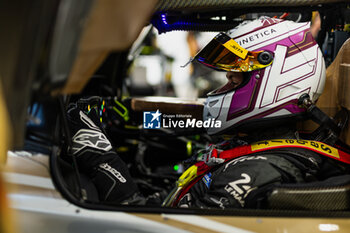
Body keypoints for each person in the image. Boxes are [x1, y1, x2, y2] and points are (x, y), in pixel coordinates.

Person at [67, 16, 350, 209]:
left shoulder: (258, 171)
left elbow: (144, 220)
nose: (225, 87)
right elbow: (188, 120)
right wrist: (123, 118)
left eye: (235, 79)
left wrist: (100, 157)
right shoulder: (250, 143)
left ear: (277, 79)